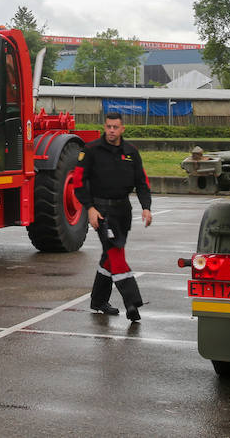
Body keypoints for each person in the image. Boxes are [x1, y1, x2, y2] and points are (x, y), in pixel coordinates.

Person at [80, 111, 153, 322]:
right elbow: (78, 182)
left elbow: (142, 182)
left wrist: (146, 207)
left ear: (122, 129)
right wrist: (90, 209)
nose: (111, 130)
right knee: (116, 252)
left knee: (109, 255)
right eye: (108, 126)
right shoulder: (91, 150)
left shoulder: (131, 152)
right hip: (101, 212)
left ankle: (98, 301)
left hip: (123, 212)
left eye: (115, 127)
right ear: (105, 127)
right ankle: (132, 302)